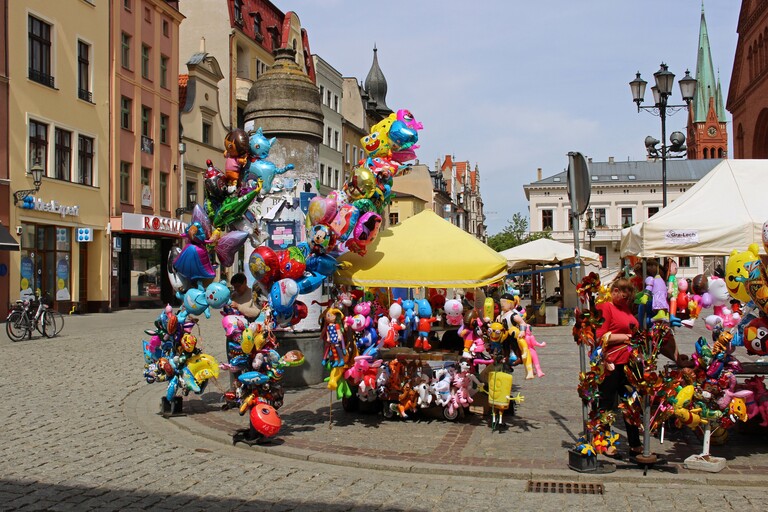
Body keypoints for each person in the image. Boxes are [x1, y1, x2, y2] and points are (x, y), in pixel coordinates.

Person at [595, 277, 642, 459]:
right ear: (614, 291)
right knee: (607, 404)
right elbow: (600, 336)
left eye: (629, 295)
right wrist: (625, 338)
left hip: (628, 363)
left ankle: (635, 444)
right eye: (623, 294)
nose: (626, 298)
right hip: (611, 363)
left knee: (631, 403)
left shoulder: (625, 308)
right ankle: (604, 442)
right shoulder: (606, 307)